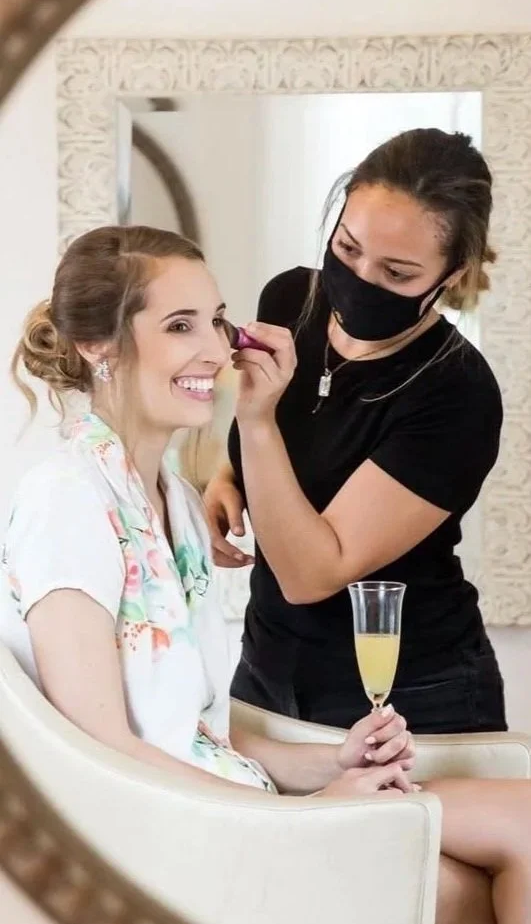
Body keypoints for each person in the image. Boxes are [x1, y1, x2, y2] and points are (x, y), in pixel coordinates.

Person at [1, 224, 530, 924]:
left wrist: (332, 763)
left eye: (218, 322)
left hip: (223, 804)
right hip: (177, 838)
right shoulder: (68, 498)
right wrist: (308, 814)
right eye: (179, 325)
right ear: (98, 344)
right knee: (470, 877)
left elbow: (192, 727)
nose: (215, 350)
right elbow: (105, 756)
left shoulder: (172, 500)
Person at [204, 127, 507, 735]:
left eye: (396, 273)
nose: (361, 278)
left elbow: (312, 573)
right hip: (266, 665)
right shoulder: (291, 297)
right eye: (347, 248)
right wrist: (226, 476)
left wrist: (255, 422)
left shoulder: (458, 394)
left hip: (411, 692)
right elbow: (289, 446)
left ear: (451, 275)